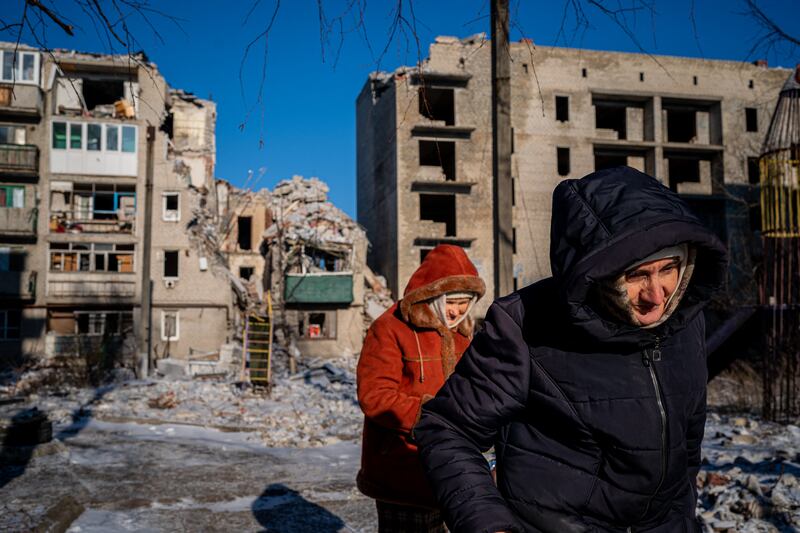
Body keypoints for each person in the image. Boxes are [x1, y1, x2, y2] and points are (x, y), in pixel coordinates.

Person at [414, 166, 728, 533]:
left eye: (669, 268)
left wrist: (683, 516)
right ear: (599, 272)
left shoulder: (686, 320)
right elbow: (447, 428)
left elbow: (688, 441)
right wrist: (488, 523)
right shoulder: (525, 324)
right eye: (637, 275)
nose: (657, 294)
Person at [357, 244, 486, 532]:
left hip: (452, 470)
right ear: (433, 295)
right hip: (402, 468)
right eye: (451, 301)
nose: (457, 311)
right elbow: (375, 395)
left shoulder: (464, 336)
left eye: (464, 302)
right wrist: (433, 417)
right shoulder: (390, 328)